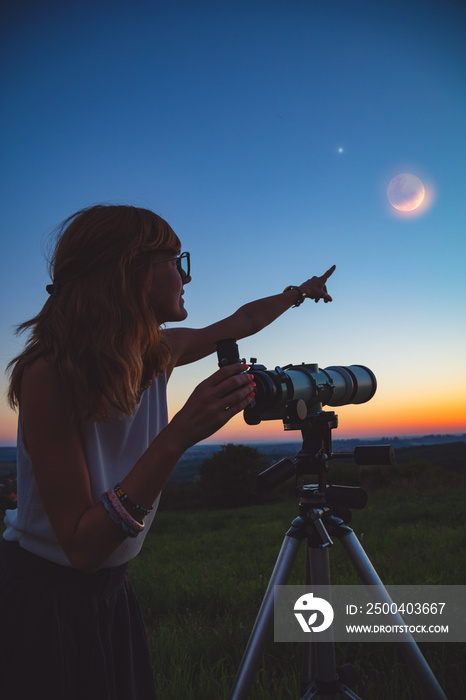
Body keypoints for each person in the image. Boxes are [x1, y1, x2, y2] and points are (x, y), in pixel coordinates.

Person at [0, 204, 335, 700]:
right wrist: (180, 433)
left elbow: (242, 320)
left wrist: (298, 293)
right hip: (45, 603)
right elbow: (82, 547)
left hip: (112, 592)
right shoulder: (49, 375)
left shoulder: (158, 352)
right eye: (176, 260)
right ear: (128, 270)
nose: (186, 276)